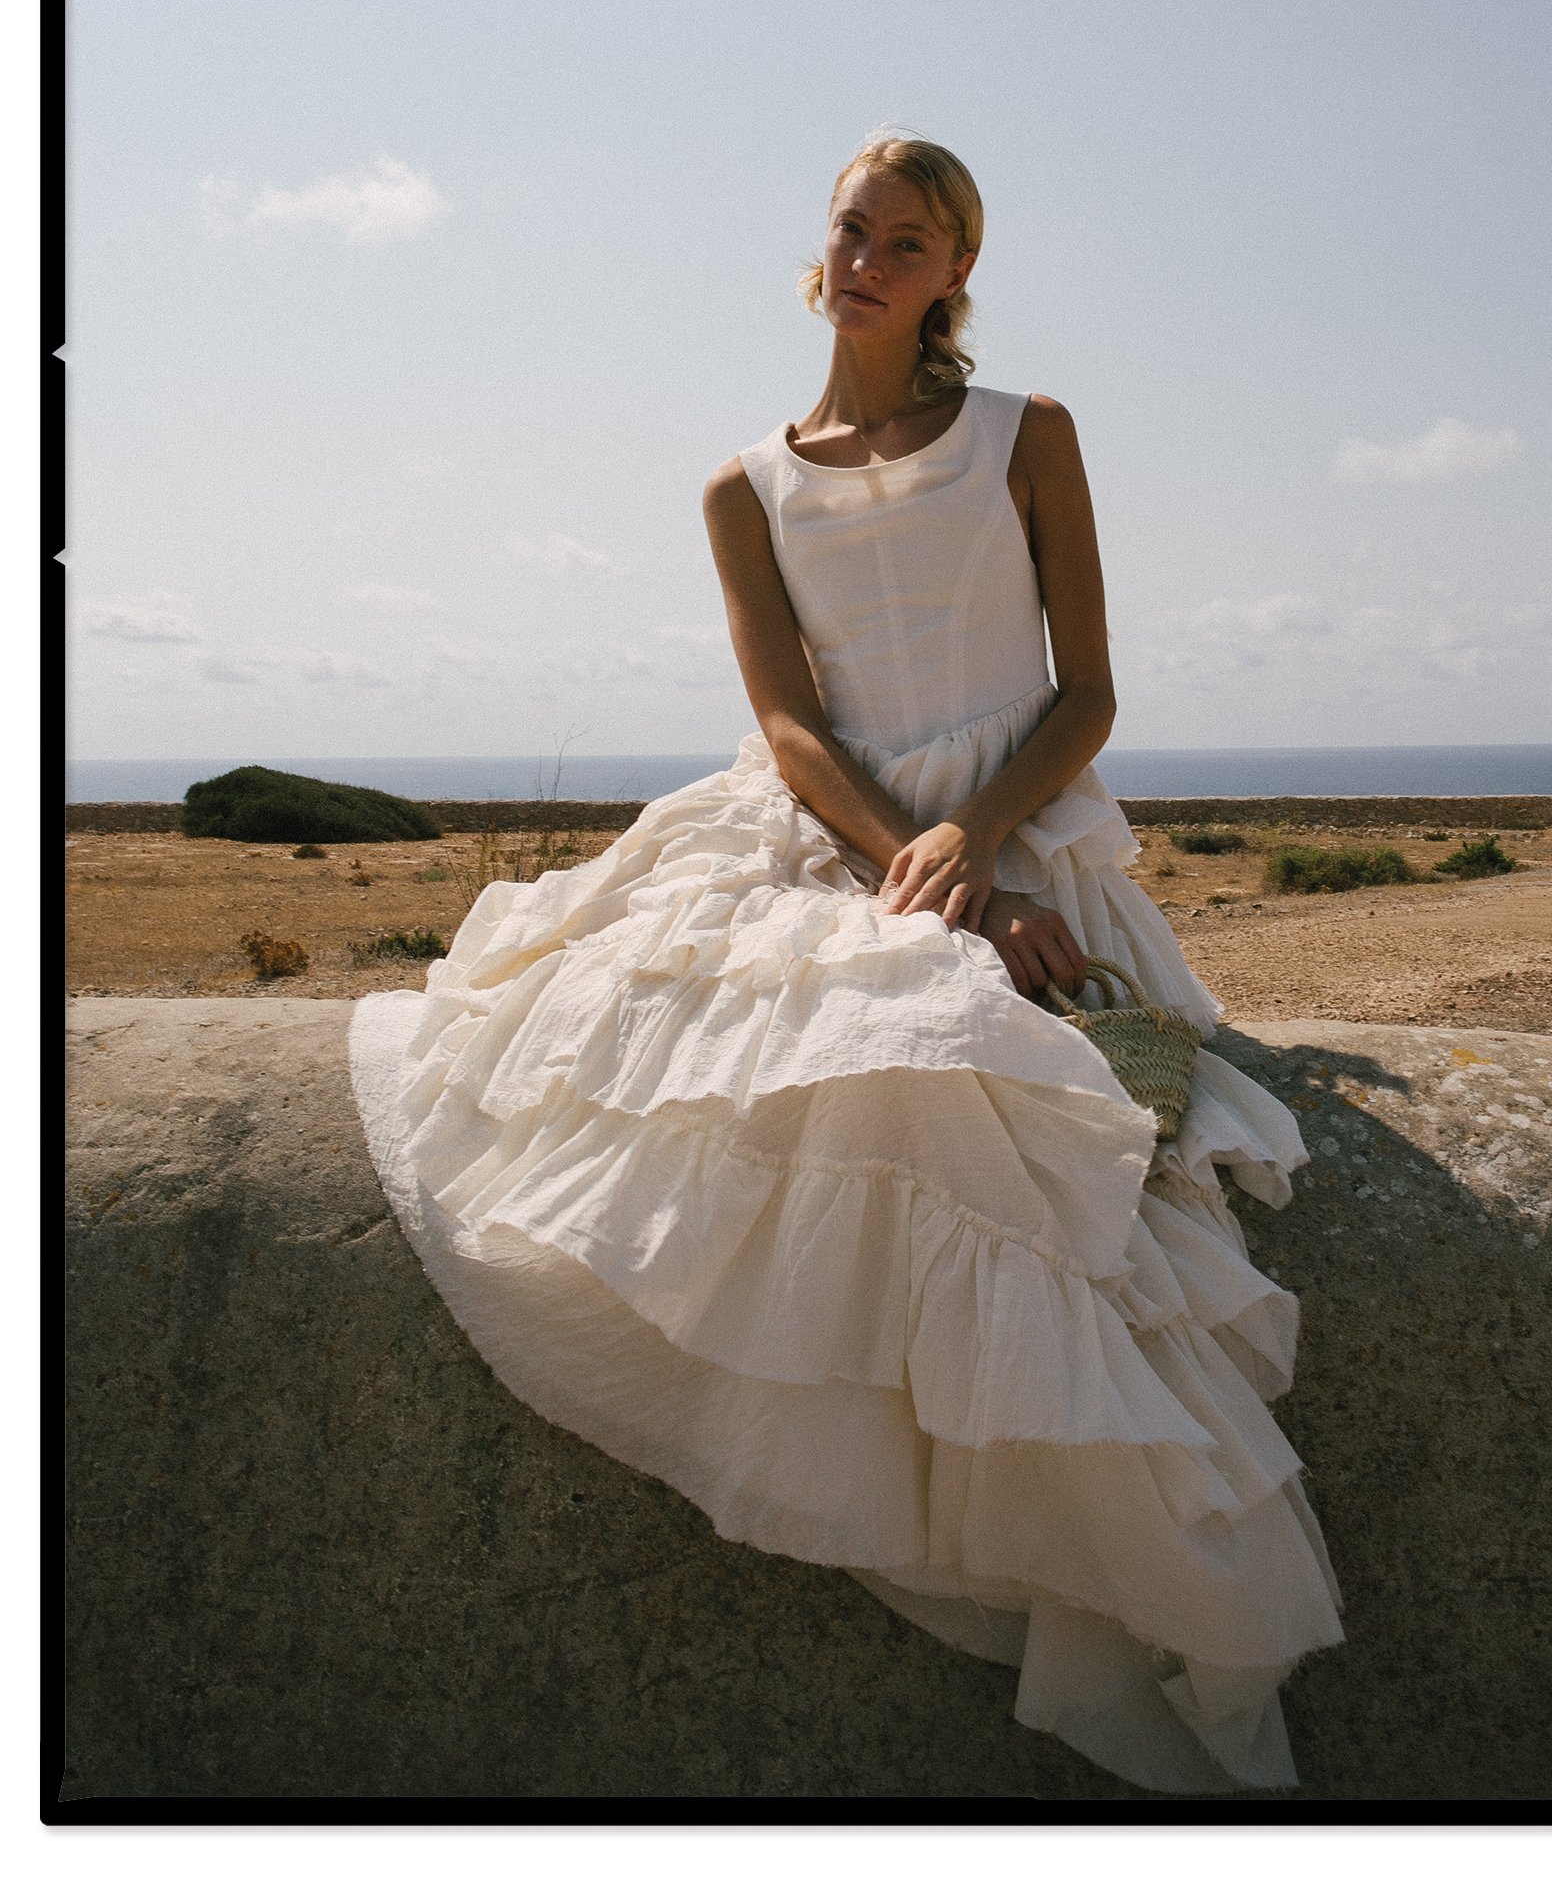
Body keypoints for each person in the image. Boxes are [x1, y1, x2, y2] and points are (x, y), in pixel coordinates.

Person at [349, 129, 1344, 1795]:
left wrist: (993, 853)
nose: (870, 255)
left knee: (1035, 1136)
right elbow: (789, 724)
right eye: (851, 228)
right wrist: (910, 861)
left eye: (909, 237)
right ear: (822, 252)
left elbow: (1088, 693)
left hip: (1020, 824)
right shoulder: (745, 484)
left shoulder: (1034, 438)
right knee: (783, 1061)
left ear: (958, 269)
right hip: (832, 833)